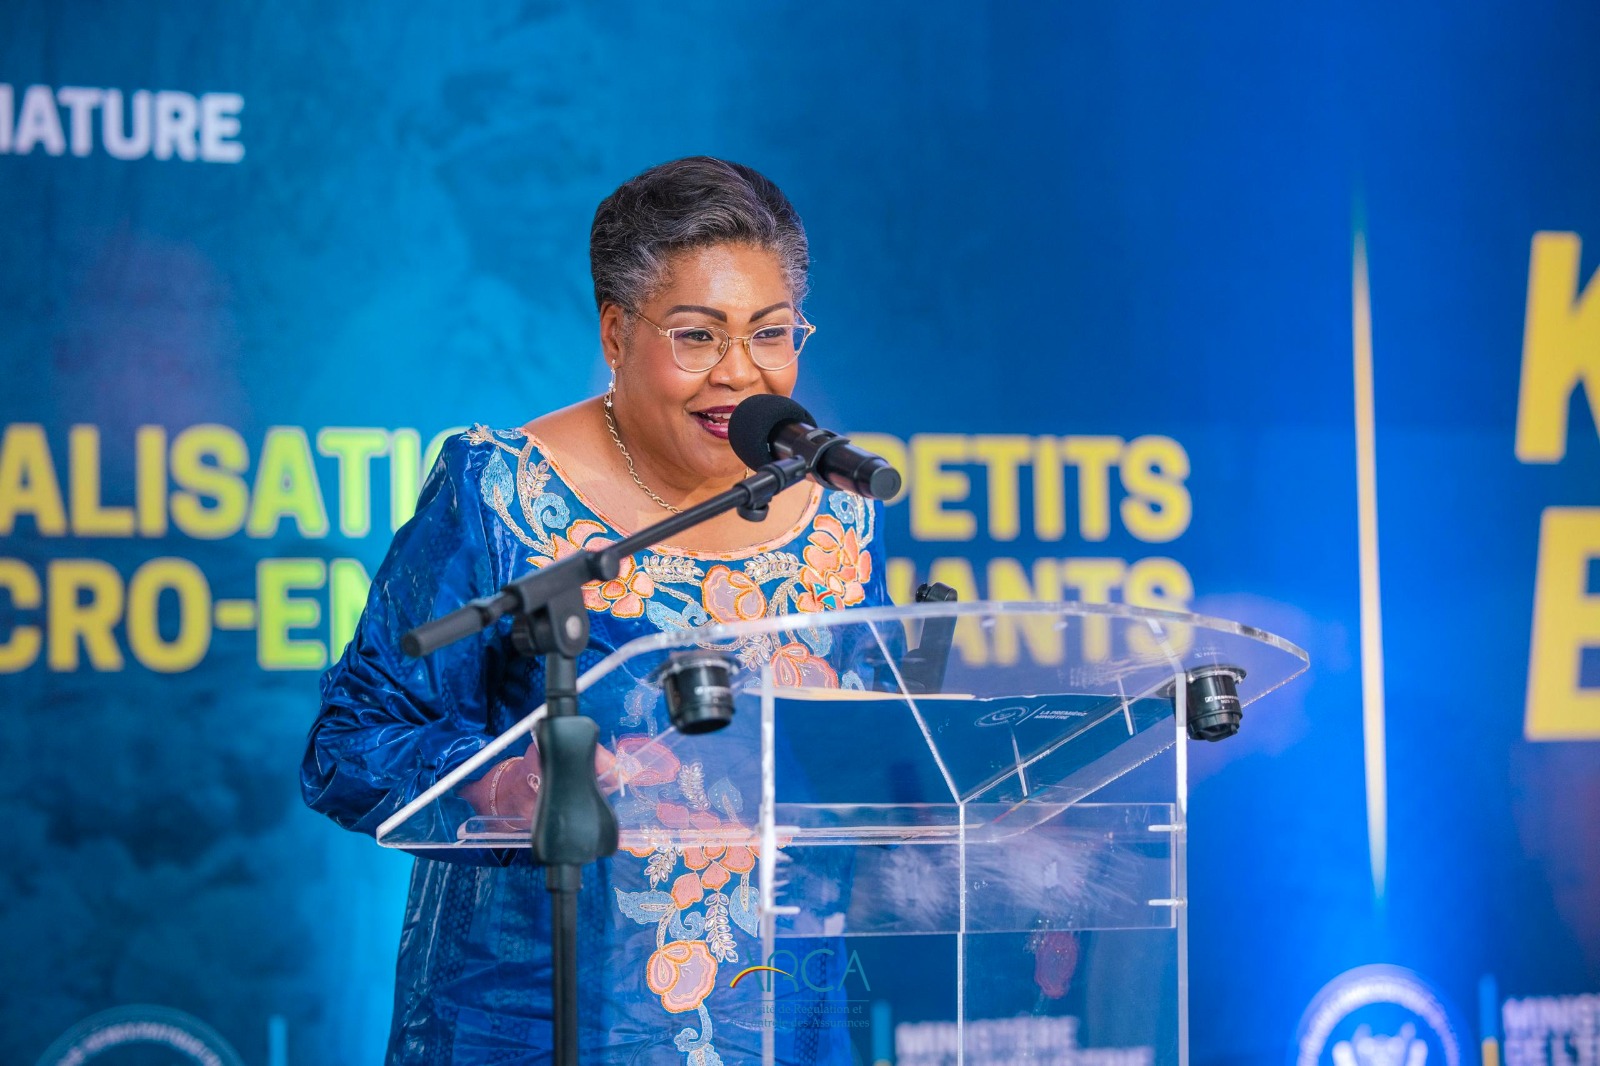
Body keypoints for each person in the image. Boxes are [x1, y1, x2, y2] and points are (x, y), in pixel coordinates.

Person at [301, 157, 891, 1065]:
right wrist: (500, 788)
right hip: (534, 1023)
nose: (741, 373)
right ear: (617, 333)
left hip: (783, 1023)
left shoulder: (839, 515)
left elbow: (881, 764)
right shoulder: (501, 493)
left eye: (770, 333)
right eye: (698, 336)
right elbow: (350, 741)